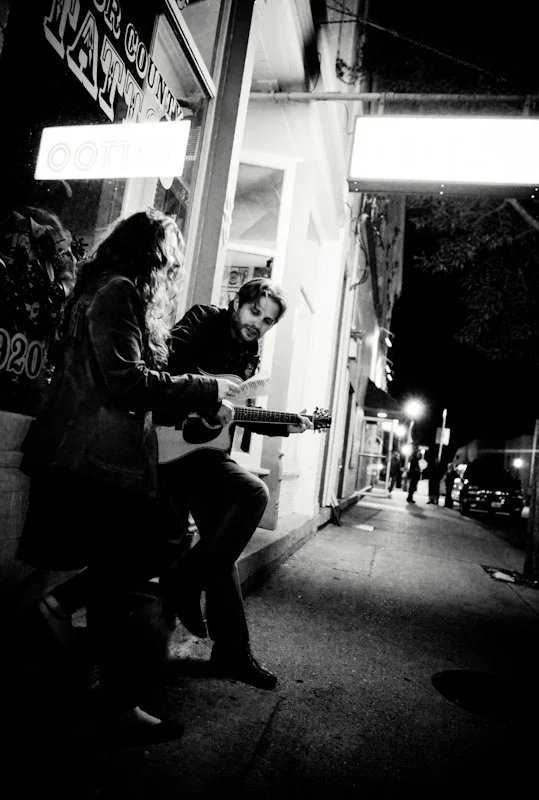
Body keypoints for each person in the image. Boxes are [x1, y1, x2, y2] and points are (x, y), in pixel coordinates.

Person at [16, 207, 240, 747]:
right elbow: (126, 383)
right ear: (152, 254)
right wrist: (206, 387)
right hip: (92, 462)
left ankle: (65, 627)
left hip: (90, 458)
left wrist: (199, 400)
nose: (175, 270)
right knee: (131, 567)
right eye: (173, 259)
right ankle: (115, 704)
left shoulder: (103, 288)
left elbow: (124, 384)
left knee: (125, 567)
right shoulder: (118, 292)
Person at [157, 277, 313, 691]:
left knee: (220, 546)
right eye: (253, 313)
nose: (257, 326)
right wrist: (210, 397)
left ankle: (229, 646)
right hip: (165, 446)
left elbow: (235, 416)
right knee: (253, 493)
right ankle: (205, 607)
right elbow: (166, 367)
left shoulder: (250, 355)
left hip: (205, 455)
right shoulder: (202, 320)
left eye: (267, 322)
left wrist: (284, 426)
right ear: (236, 303)